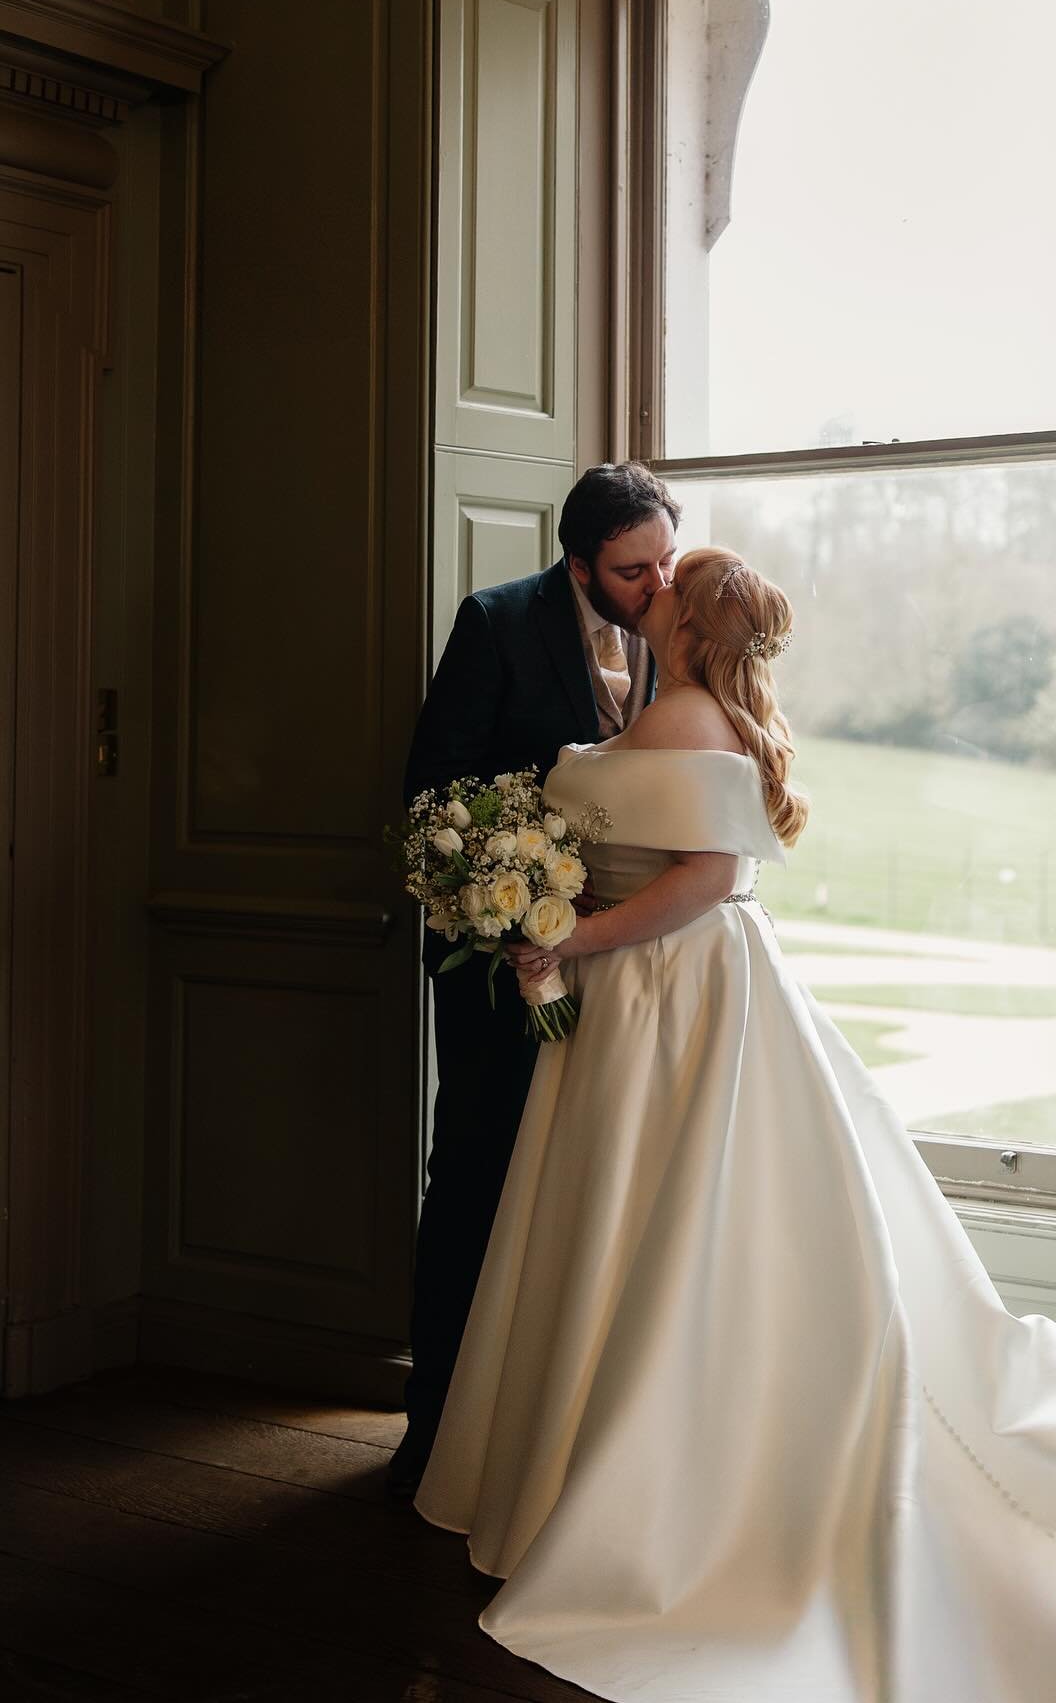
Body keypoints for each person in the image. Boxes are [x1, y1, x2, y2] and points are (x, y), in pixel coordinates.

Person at [413, 547, 1056, 1703]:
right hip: (671, 994)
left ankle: (667, 1484)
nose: (646, 597)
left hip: (669, 990)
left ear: (688, 620)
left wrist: (570, 935)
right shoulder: (697, 712)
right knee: (659, 1224)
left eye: (665, 586)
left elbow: (705, 874)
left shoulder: (683, 719)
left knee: (668, 1221)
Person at [390, 462, 680, 1497]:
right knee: (473, 1175)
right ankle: (434, 1434)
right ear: (580, 561)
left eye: (662, 562)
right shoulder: (497, 621)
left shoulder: (676, 636)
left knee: (581, 1190)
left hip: (619, 964)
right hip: (495, 959)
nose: (653, 586)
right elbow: (437, 795)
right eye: (630, 569)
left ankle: (553, 1445)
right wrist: (526, 927)